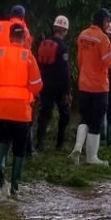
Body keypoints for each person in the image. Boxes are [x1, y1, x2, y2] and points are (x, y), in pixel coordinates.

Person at [69, 8, 111, 166]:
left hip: (84, 83)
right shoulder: (103, 39)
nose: (108, 24)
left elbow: (79, 59)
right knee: (96, 122)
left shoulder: (83, 35)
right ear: (103, 20)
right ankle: (92, 157)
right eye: (108, 20)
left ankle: (77, 148)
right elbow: (110, 63)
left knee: (84, 118)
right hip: (99, 86)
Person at [0, 24, 43, 196]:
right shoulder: (28, 56)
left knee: (2, 141)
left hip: (1, 109)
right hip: (21, 112)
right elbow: (37, 85)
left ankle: (1, 168)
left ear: (10, 37)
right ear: (24, 38)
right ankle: (15, 188)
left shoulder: (0, 53)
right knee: (19, 150)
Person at [35, 15, 72, 152]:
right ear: (65, 31)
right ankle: (59, 144)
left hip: (45, 84)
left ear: (54, 28)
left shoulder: (44, 43)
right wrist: (67, 92)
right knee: (64, 114)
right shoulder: (63, 47)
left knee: (44, 114)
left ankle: (39, 143)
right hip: (59, 87)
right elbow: (65, 70)